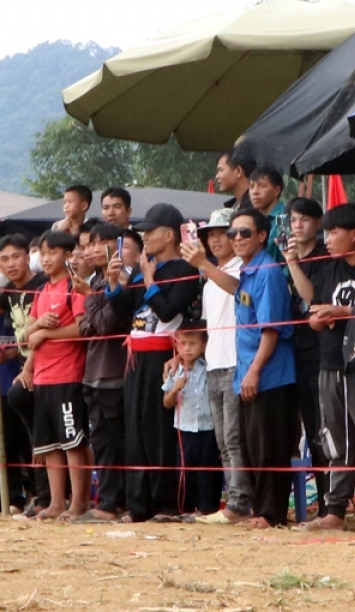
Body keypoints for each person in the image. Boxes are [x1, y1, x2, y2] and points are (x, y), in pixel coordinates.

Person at [106, 204, 200, 523]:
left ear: (169, 235)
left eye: (150, 232)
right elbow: (124, 312)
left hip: (164, 356)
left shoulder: (184, 269)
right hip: (136, 354)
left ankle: (165, 503)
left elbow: (168, 312)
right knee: (135, 429)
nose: (144, 238)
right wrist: (115, 284)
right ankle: (138, 504)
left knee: (159, 429)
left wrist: (148, 279)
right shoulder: (144, 268)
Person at [300, 202, 355, 531]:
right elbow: (313, 313)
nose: (328, 239)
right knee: (335, 438)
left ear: (354, 235)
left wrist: (343, 313)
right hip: (330, 360)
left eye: (333, 232)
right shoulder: (327, 269)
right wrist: (320, 319)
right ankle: (334, 510)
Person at [228, 208, 299, 529]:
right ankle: (260, 511)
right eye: (233, 234)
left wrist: (255, 371)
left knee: (270, 447)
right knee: (251, 447)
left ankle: (271, 513)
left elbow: (270, 329)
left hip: (270, 375)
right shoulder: (247, 272)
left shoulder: (268, 271)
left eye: (245, 232)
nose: (237, 239)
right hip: (248, 373)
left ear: (261, 236)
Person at [180, 208, 250, 524]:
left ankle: (239, 503)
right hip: (214, 364)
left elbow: (237, 291)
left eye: (224, 233)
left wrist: (203, 265)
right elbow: (207, 328)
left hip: (237, 362)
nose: (217, 240)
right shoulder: (209, 279)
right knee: (222, 440)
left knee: (234, 438)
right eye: (211, 235)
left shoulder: (240, 269)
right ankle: (232, 500)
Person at [22, 231, 91, 521]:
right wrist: (38, 325)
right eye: (42, 253)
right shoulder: (41, 291)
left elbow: (81, 329)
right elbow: (26, 333)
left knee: (73, 443)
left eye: (52, 253)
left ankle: (78, 503)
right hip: (42, 377)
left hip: (67, 374)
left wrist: (45, 333)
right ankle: (56, 502)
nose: (46, 259)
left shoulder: (72, 288)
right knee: (50, 446)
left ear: (67, 254)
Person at [0, 235, 48, 513]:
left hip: (46, 371)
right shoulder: (7, 296)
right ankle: (40, 497)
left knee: (45, 440)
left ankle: (49, 498)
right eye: (4, 259)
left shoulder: (42, 286)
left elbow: (42, 336)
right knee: (34, 439)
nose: (11, 264)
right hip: (24, 373)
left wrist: (27, 365)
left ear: (27, 257)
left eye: (16, 256)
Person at [76, 222, 129, 522]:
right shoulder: (94, 281)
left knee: (118, 442)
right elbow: (85, 327)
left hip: (114, 371)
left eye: (100, 243)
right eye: (88, 245)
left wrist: (90, 299)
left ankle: (117, 501)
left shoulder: (119, 279)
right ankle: (108, 502)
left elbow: (106, 324)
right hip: (93, 372)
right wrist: (92, 305)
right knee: (102, 443)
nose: (93, 250)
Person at [281, 196, 329, 517]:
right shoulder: (282, 257)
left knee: (320, 431)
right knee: (290, 430)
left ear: (318, 223)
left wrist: (294, 264)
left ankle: (328, 501)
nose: (298, 226)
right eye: (293, 220)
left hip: (319, 353)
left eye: (304, 220)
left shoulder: (326, 258)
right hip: (288, 351)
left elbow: (310, 298)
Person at [162, 319, 221, 517]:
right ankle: (188, 508)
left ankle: (207, 508)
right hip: (184, 428)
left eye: (193, 344)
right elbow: (166, 402)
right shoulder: (174, 371)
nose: (187, 349)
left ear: (203, 345)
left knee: (207, 470)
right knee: (185, 471)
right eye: (183, 344)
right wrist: (175, 390)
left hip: (207, 427)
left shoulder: (209, 367)